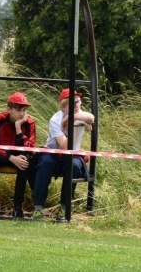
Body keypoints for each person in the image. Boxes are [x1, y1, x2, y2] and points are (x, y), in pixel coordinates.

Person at [28, 89, 94, 220]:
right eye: (72, 103)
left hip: (72, 154)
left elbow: (91, 118)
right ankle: (38, 207)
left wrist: (71, 119)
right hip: (54, 152)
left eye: (78, 102)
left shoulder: (80, 114)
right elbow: (64, 146)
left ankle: (64, 207)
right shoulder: (55, 120)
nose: (76, 105)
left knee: (74, 166)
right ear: (63, 106)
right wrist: (76, 124)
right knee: (44, 163)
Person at [0, 92, 36, 215]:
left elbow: (30, 149)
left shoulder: (29, 123)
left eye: (24, 110)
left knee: (25, 162)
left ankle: (17, 207)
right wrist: (10, 157)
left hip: (19, 155)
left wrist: (18, 128)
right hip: (2, 155)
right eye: (18, 109)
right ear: (8, 109)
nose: (21, 113)